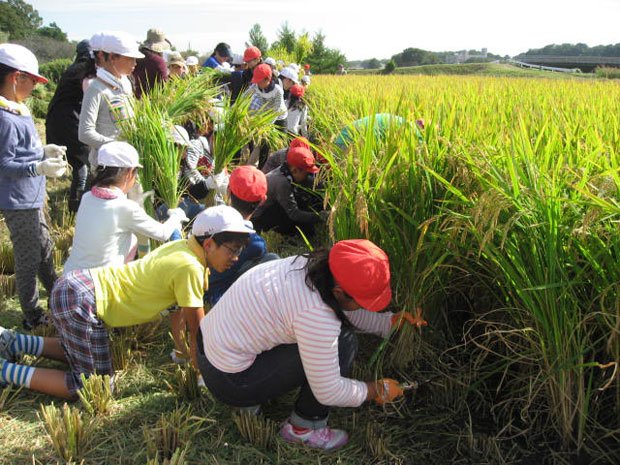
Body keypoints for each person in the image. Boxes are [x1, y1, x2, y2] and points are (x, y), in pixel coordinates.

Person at [0, 206, 253, 399]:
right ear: (209, 244)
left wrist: (181, 353)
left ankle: (14, 342)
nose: (236, 257)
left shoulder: (182, 248)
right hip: (82, 301)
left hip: (77, 287)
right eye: (232, 249)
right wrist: (203, 374)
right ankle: (6, 372)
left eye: (240, 250)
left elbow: (178, 310)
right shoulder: (190, 268)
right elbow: (199, 332)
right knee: (92, 386)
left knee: (77, 351)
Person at [197, 239, 425, 450]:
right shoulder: (315, 313)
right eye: (363, 302)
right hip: (228, 379)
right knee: (343, 343)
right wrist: (376, 390)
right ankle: (303, 427)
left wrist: (388, 322)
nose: (365, 307)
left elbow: (343, 305)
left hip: (211, 349)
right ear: (339, 292)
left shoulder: (311, 266)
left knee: (331, 332)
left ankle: (249, 398)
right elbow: (329, 390)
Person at [0, 43, 68, 330]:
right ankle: (32, 315)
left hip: (32, 195)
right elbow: (5, 164)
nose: (35, 88)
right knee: (28, 259)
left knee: (45, 247)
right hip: (18, 200)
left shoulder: (17, 109)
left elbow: (23, 151)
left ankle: (58, 295)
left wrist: (43, 151)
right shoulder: (4, 118)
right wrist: (38, 167)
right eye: (32, 81)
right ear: (17, 78)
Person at [63, 141, 188, 274]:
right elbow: (162, 234)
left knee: (133, 239)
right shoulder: (126, 208)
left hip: (68, 277)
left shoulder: (87, 197)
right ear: (129, 173)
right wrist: (176, 216)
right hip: (97, 286)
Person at [205, 166, 278, 305]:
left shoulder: (209, 218)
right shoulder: (256, 243)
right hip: (222, 296)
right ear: (263, 200)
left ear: (228, 190)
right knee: (272, 259)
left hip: (201, 285)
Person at [79, 31, 143, 171]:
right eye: (130, 58)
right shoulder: (96, 89)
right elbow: (85, 133)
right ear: (113, 57)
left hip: (127, 161)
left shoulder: (124, 85)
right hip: (108, 166)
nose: (135, 63)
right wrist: (117, 146)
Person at [45, 39, 97, 212]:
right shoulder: (86, 69)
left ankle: (74, 203)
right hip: (69, 120)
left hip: (56, 118)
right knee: (83, 162)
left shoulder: (73, 68)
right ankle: (76, 206)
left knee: (76, 161)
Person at [252, 146, 326, 237]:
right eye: (307, 173)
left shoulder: (285, 170)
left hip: (268, 206)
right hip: (259, 217)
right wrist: (319, 216)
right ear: (295, 170)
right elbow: (294, 213)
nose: (308, 176)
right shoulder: (282, 182)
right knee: (295, 218)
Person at [133, 28, 170, 99]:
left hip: (133, 100)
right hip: (152, 102)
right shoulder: (158, 61)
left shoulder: (135, 57)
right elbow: (163, 85)